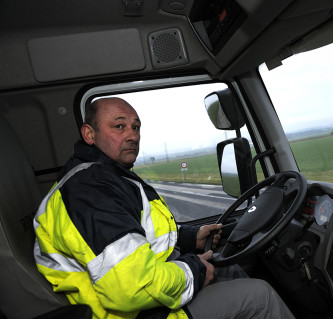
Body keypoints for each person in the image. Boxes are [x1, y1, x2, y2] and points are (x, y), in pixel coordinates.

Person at [33, 97, 294, 319]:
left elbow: (136, 235)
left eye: (136, 127)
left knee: (228, 269)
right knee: (262, 296)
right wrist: (195, 268)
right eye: (119, 126)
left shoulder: (107, 176)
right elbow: (131, 287)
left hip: (145, 300)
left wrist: (189, 237)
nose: (132, 135)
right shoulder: (89, 190)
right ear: (90, 134)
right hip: (139, 313)